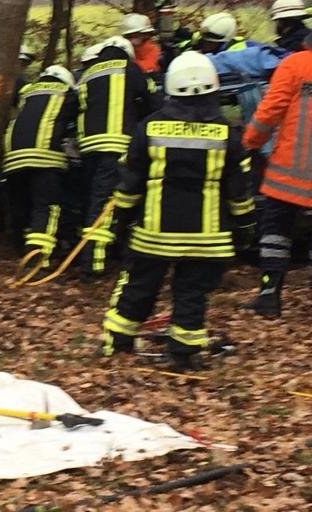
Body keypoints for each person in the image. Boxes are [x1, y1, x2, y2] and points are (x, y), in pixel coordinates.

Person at [102, 52, 255, 371]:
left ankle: (118, 342)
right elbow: (238, 191)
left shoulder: (148, 127)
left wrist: (120, 222)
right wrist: (245, 230)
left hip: (154, 234)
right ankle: (183, 353)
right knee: (191, 294)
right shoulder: (227, 133)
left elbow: (130, 183)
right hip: (207, 239)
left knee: (140, 286)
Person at [76, 35, 162, 278]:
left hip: (88, 149)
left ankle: (99, 255)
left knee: (93, 201)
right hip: (116, 147)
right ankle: (92, 266)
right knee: (105, 205)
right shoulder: (131, 70)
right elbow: (152, 103)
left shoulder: (88, 73)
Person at [241, 29, 312, 318]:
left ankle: (269, 295)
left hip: (292, 171)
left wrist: (250, 142)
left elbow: (270, 111)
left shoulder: (295, 64)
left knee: (276, 230)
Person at [2, 65, 78, 267]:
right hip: (45, 158)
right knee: (45, 207)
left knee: (21, 205)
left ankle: (20, 248)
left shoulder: (27, 92)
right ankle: (37, 260)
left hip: (13, 157)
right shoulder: (67, 93)